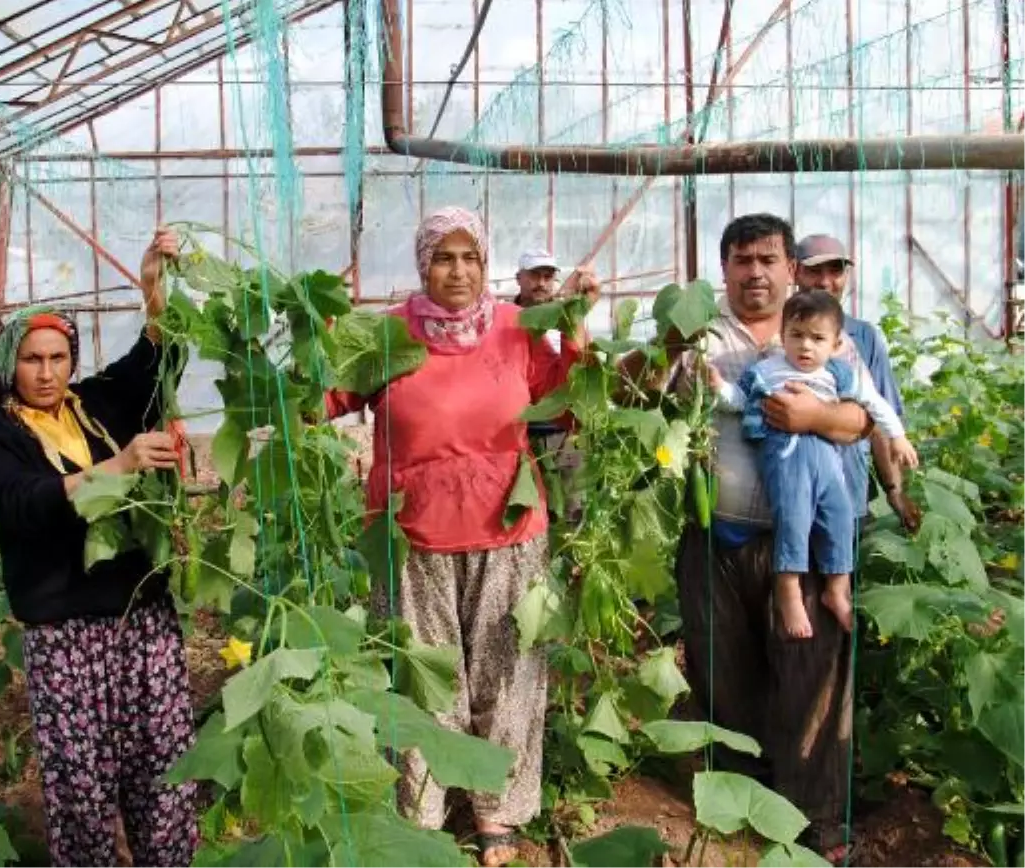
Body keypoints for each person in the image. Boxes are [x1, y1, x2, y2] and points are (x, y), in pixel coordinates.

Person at [326, 208, 599, 867]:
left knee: (506, 671)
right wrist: (318, 330)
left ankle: (496, 811)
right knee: (426, 677)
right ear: (422, 265)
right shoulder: (387, 336)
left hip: (508, 522)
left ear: (486, 263)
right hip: (411, 530)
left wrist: (576, 327)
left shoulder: (514, 328)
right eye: (443, 258)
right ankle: (424, 809)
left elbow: (563, 404)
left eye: (469, 257)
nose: (458, 271)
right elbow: (324, 399)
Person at [620, 213, 870, 864]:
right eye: (741, 261)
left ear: (792, 268)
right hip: (717, 539)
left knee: (811, 678)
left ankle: (820, 823)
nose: (755, 273)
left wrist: (815, 414)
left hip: (805, 543)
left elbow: (862, 419)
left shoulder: (825, 332)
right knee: (725, 678)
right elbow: (631, 391)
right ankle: (742, 812)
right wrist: (667, 347)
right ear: (723, 269)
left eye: (768, 260)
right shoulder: (701, 336)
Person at [0, 229, 197, 867]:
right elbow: (21, 502)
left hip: (139, 617)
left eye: (57, 358)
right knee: (81, 783)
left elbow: (155, 364)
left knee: (163, 761)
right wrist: (116, 469)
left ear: (72, 361)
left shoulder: (94, 405)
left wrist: (154, 292)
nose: (46, 373)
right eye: (32, 360)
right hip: (64, 630)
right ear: (9, 365)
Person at [710, 289, 918, 638]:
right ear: (784, 335)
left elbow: (874, 403)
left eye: (817, 338)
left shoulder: (839, 373)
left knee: (838, 515)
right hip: (787, 457)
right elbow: (739, 401)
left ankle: (836, 588)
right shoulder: (766, 371)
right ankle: (788, 589)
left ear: (836, 343)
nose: (806, 346)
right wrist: (719, 387)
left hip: (828, 460)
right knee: (794, 517)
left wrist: (897, 436)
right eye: (797, 336)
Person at [795, 233, 920, 530]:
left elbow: (879, 417)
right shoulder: (783, 332)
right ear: (795, 272)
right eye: (814, 270)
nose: (825, 281)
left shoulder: (864, 337)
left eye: (835, 270)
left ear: (847, 275)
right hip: (792, 493)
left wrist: (895, 490)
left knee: (843, 573)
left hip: (848, 492)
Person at [511, 249, 581, 523]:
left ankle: (575, 563)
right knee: (530, 513)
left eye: (547, 276)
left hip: (567, 435)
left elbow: (579, 371)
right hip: (523, 434)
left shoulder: (567, 319)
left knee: (574, 512)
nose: (541, 283)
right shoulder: (507, 321)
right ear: (519, 278)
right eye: (534, 276)